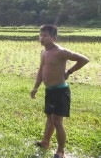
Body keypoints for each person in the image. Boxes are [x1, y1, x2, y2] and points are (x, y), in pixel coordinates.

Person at [30, 24, 89, 158]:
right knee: (49, 118)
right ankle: (45, 142)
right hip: (49, 91)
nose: (41, 38)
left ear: (54, 38)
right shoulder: (44, 52)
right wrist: (35, 87)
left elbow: (84, 59)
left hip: (60, 92)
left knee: (57, 121)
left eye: (45, 36)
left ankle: (61, 151)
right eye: (41, 35)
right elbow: (41, 70)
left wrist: (69, 71)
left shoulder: (60, 51)